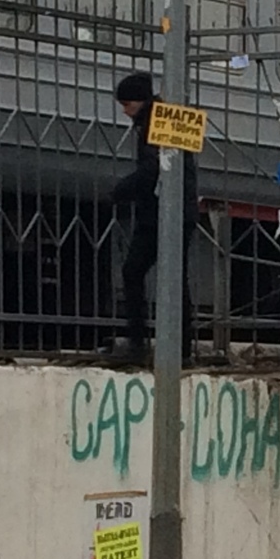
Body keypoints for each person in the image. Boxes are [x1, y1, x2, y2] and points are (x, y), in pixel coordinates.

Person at [109, 72, 199, 363]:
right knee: (175, 278)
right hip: (175, 211)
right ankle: (180, 348)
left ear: (139, 101)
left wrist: (121, 190)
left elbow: (152, 170)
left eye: (126, 103)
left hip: (162, 213)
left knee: (136, 272)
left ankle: (140, 344)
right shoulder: (161, 118)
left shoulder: (153, 123)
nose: (124, 110)